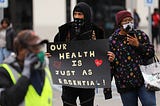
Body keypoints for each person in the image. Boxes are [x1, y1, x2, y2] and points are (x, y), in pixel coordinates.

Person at [54, 2, 115, 106]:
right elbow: (56, 50)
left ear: (86, 15)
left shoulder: (96, 31)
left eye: (80, 14)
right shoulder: (65, 30)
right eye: (75, 14)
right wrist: (52, 55)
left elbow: (103, 53)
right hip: (69, 80)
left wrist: (110, 57)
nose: (77, 17)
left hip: (88, 80)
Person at [104, 10, 156, 106]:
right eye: (125, 21)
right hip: (125, 83)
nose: (129, 23)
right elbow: (110, 65)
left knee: (150, 103)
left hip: (144, 79)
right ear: (119, 24)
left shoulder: (140, 35)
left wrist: (138, 45)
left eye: (130, 20)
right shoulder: (112, 41)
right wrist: (107, 89)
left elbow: (151, 53)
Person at [0, 30, 53, 106]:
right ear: (21, 50)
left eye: (39, 47)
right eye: (34, 48)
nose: (39, 51)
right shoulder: (5, 71)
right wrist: (25, 75)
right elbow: (7, 101)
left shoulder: (43, 68)